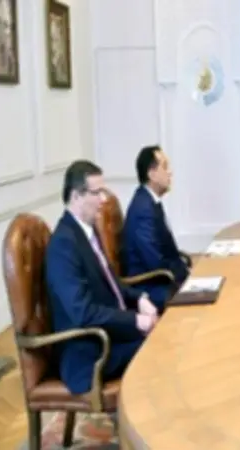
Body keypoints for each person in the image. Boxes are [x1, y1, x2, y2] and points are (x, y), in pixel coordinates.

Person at [45, 160, 157, 395]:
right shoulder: (64, 244)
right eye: (97, 193)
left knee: (166, 333)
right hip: (90, 354)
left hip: (110, 336)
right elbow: (83, 312)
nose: (104, 200)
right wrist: (135, 321)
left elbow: (112, 284)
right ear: (76, 196)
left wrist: (140, 298)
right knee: (161, 349)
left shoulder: (85, 231)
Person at [122, 146, 191, 310]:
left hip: (162, 279)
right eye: (165, 167)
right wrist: (184, 274)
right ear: (152, 174)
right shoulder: (143, 209)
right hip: (151, 286)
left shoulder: (149, 201)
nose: (170, 173)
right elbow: (155, 262)